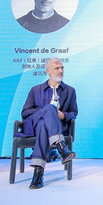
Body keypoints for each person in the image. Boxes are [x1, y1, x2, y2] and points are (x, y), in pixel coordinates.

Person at [17, 58, 77, 189]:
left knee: (43, 126)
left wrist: (62, 115)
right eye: (57, 68)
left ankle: (38, 174)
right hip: (32, 126)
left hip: (55, 127)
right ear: (48, 71)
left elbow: (73, 113)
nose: (61, 71)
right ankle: (61, 147)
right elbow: (25, 112)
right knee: (49, 109)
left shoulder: (70, 91)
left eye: (62, 68)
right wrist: (45, 111)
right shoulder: (35, 90)